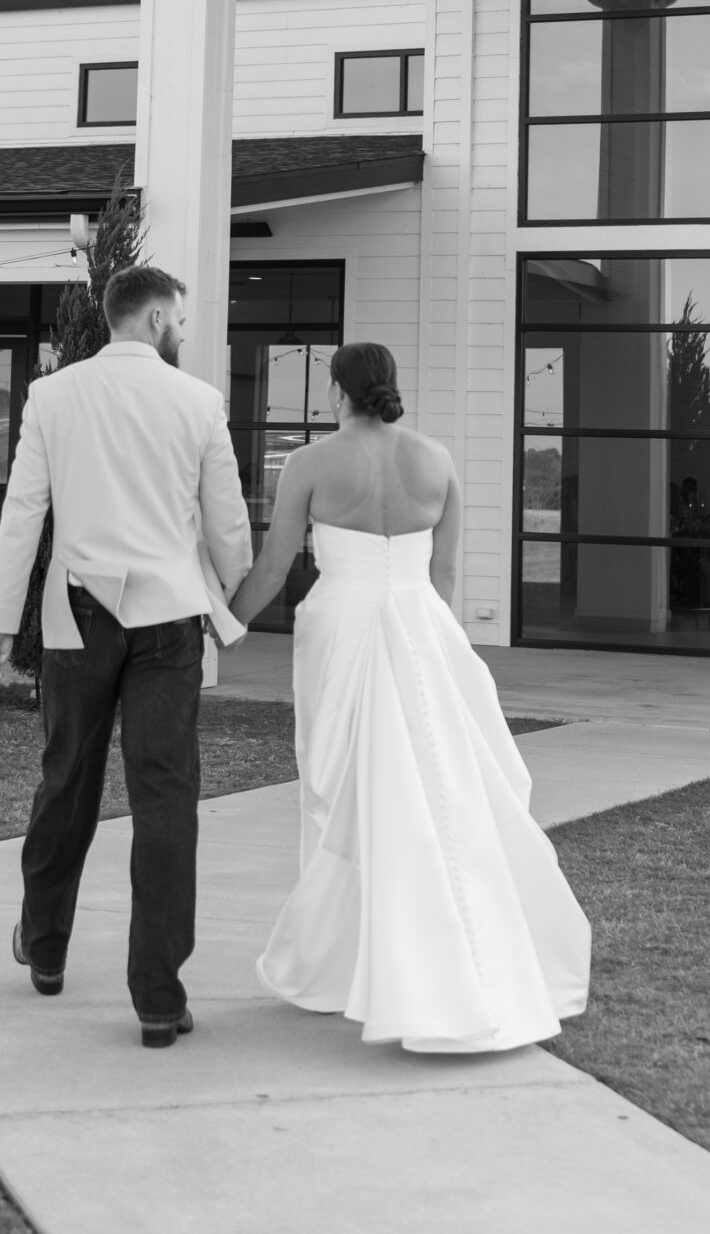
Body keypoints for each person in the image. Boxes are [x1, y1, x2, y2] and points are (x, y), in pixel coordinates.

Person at [230, 340, 591, 1055]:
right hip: (421, 625)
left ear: (338, 392)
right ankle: (398, 956)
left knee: (337, 787)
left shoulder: (309, 462)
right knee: (436, 786)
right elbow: (448, 571)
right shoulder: (437, 459)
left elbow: (274, 565)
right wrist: (437, 646)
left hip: (343, 626)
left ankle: (339, 965)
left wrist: (224, 624)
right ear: (389, 387)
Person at [0, 266, 253, 1049]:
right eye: (180, 321)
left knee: (67, 778)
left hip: (79, 615)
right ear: (157, 315)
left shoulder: (52, 396)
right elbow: (227, 525)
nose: (183, 334)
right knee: (166, 799)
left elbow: (23, 511)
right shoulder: (198, 402)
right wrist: (225, 590)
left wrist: (0, 618)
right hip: (169, 620)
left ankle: (45, 944)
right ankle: (158, 1000)